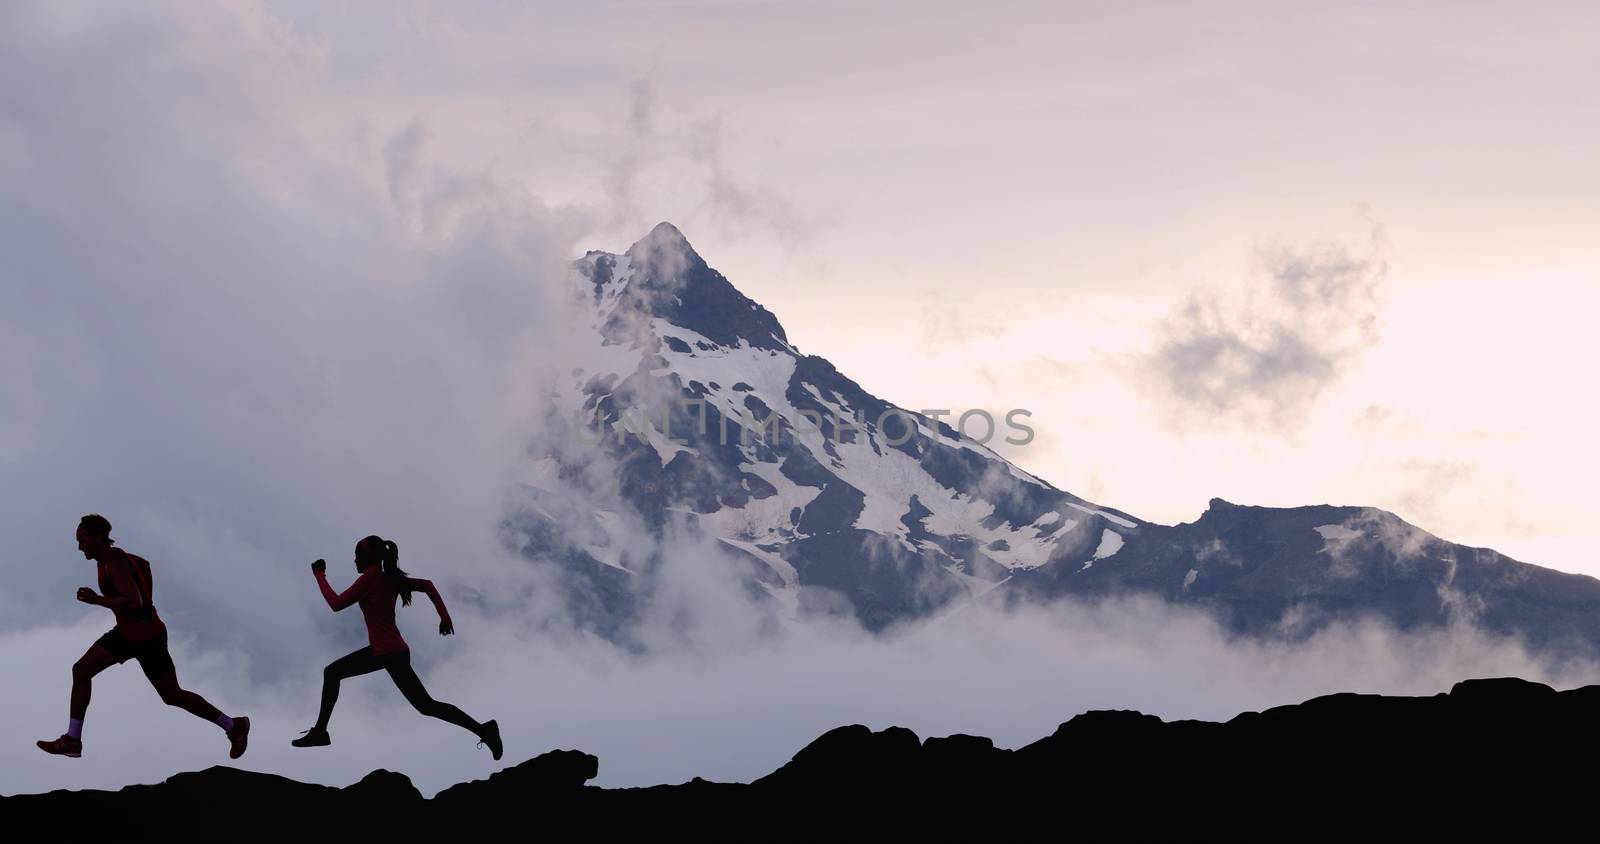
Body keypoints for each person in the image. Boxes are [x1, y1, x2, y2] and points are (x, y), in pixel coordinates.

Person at [37, 514, 250, 759]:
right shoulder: (113, 558)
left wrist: (98, 600)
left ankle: (234, 726)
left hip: (144, 639)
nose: (79, 546)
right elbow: (145, 566)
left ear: (99, 538)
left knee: (170, 695)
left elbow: (133, 602)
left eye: (83, 540)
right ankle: (234, 726)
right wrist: (147, 600)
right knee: (85, 671)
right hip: (136, 633)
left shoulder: (113, 564)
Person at [293, 535, 501, 760]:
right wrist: (445, 618)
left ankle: (320, 733)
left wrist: (319, 575)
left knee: (332, 673)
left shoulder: (370, 580)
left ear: (368, 557)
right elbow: (428, 586)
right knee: (427, 706)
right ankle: (484, 730)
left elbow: (336, 604)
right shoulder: (389, 578)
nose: (354, 560)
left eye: (357, 556)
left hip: (386, 653)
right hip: (393, 652)